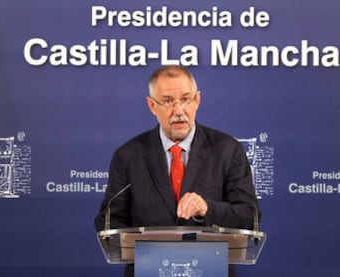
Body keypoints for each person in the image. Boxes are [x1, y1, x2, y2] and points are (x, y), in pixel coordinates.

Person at [94, 65, 260, 277]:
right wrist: (142, 245)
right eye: (168, 101)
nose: (179, 111)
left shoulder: (227, 150)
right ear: (152, 106)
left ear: (197, 100)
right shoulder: (128, 156)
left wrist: (207, 209)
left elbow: (250, 217)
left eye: (185, 99)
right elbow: (108, 222)